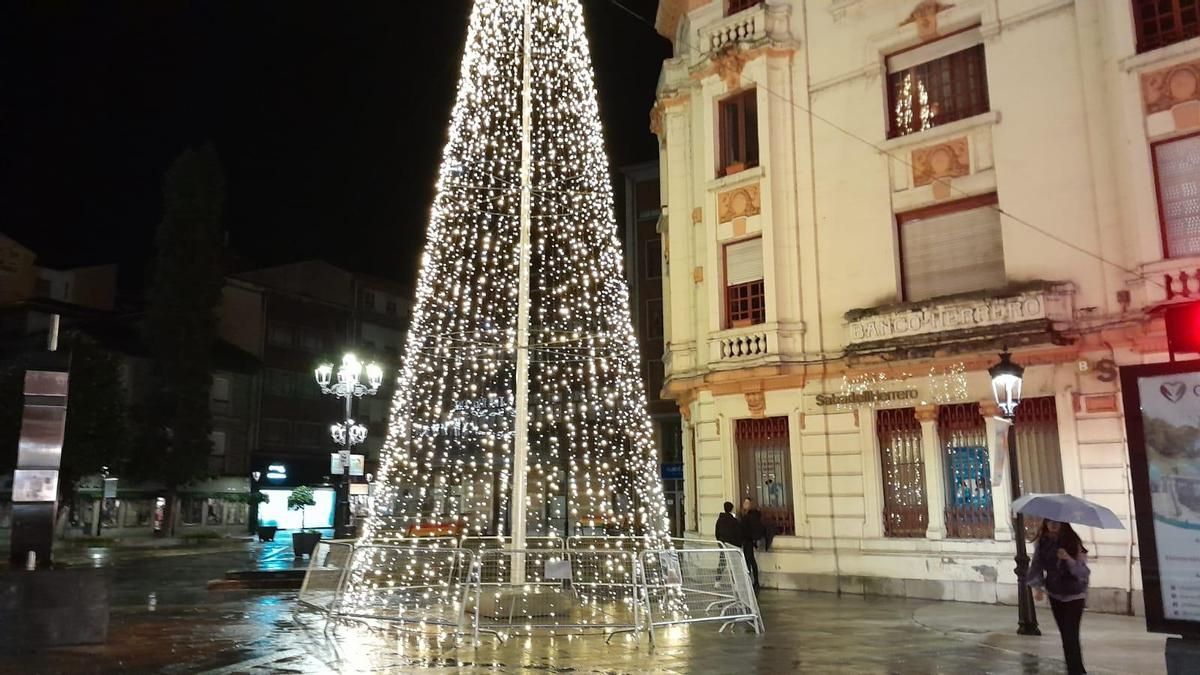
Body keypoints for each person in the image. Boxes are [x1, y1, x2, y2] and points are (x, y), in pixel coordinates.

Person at [1026, 519, 1090, 675]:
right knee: (1065, 634)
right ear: (1045, 523)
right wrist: (1037, 587)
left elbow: (1083, 572)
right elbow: (1036, 566)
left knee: (1070, 634)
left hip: (1075, 595)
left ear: (1063, 524)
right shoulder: (1043, 543)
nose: (1053, 525)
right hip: (1055, 594)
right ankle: (1075, 668)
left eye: (1057, 522)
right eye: (1049, 521)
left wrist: (1068, 558)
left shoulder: (1072, 542)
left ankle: (1076, 670)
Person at [714, 501, 740, 587]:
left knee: (722, 562)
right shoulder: (734, 521)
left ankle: (717, 582)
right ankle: (735, 583)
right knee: (733, 564)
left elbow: (716, 532)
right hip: (731, 544)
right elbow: (737, 533)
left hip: (722, 543)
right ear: (731, 509)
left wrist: (719, 541)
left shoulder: (720, 519)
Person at [740, 497, 764, 591]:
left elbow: (751, 528)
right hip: (746, 540)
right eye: (744, 502)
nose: (745, 504)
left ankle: (754, 581)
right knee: (749, 561)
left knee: (750, 560)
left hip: (749, 540)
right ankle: (751, 580)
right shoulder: (744, 514)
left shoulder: (751, 515)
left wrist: (754, 539)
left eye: (747, 503)